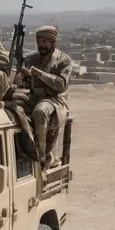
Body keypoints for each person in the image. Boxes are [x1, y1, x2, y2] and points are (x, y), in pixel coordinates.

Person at [18, 25, 72, 168]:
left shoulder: (63, 60)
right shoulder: (31, 59)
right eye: (39, 41)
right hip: (32, 96)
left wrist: (41, 74)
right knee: (10, 107)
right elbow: (22, 82)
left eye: (44, 42)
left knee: (40, 111)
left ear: (52, 42)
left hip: (54, 100)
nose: (41, 45)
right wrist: (21, 74)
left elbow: (61, 84)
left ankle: (40, 155)